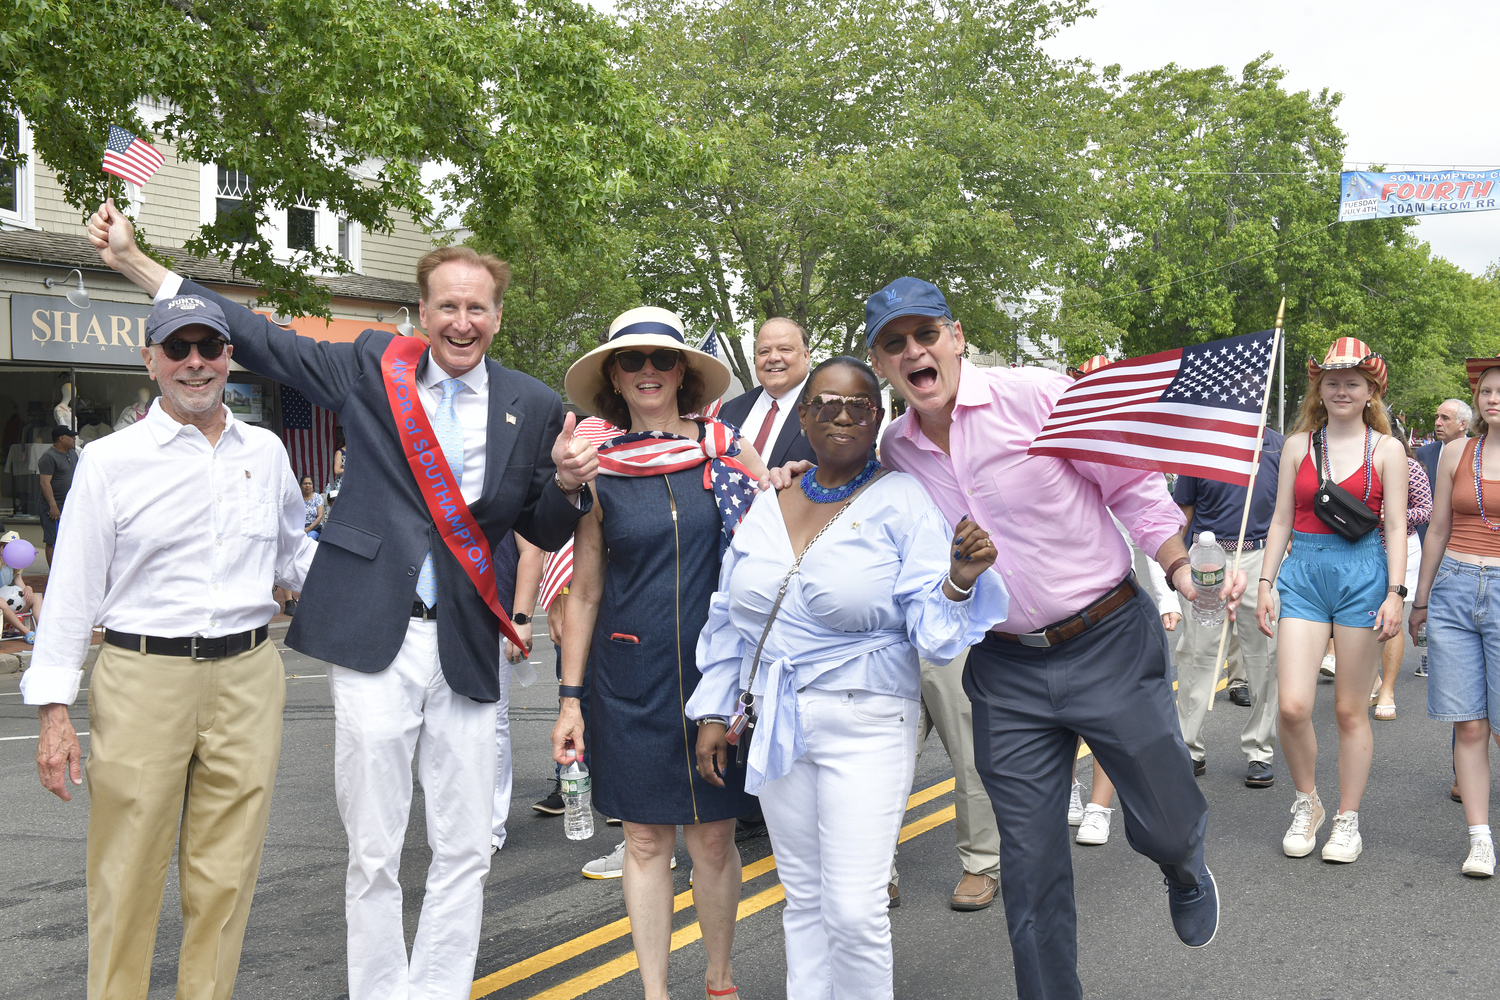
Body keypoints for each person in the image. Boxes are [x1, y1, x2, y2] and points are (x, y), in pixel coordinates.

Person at [87, 199, 597, 1000]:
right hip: (373, 636)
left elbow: (536, 518)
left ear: (497, 316)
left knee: (465, 845)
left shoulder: (530, 405)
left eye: (478, 306)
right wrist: (136, 263)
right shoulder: (371, 365)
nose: (462, 321)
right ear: (421, 314)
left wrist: (567, 482)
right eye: (447, 306)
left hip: (465, 640)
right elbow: (261, 337)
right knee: (372, 847)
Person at [834, 277, 1231, 1000]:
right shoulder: (895, 451)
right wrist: (797, 475)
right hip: (1006, 669)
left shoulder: (1041, 396)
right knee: (1028, 864)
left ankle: (1182, 862)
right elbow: (844, 498)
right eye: (895, 344)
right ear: (883, 364)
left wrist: (1178, 567)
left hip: (1107, 636)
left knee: (1169, 824)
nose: (914, 352)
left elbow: (1134, 489)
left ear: (956, 338)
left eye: (926, 335)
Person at [22, 293, 316, 1000]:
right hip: (142, 674)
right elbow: (71, 590)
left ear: (227, 358)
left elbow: (293, 561)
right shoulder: (110, 461)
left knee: (227, 876)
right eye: (176, 349)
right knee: (126, 873)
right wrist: (54, 711)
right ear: (150, 361)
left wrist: (390, 567)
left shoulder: (266, 450)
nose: (194, 363)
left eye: (207, 349)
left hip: (249, 673)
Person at [689, 356, 1007, 999]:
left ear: (878, 417)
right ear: (802, 417)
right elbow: (731, 617)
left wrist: (957, 581)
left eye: (859, 404)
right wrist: (715, 711)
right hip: (778, 717)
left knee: (855, 907)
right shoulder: (768, 501)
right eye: (826, 402)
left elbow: (934, 632)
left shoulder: (903, 500)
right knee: (802, 898)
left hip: (866, 720)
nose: (841, 414)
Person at [551, 306, 767, 1000]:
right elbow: (583, 594)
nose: (648, 371)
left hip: (719, 679)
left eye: (662, 360)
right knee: (645, 843)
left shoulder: (729, 453)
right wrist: (569, 699)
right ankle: (655, 992)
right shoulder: (598, 473)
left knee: (711, 839)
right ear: (614, 376)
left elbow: (771, 550)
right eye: (632, 361)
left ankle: (719, 979)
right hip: (629, 679)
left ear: (683, 372)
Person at [1254, 339, 1407, 864]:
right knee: (1293, 705)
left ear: (1371, 392)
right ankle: (1308, 802)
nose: (1342, 391)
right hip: (1302, 574)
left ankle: (1347, 819)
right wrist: (1265, 583)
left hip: (1364, 572)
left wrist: (1395, 593)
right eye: (1333, 382)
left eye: (1354, 383)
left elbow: (1394, 527)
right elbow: (1279, 520)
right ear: (1319, 388)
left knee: (1347, 709)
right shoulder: (1297, 445)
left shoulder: (1387, 450)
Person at [1409, 357, 1500, 878]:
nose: (1492, 399)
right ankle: (1480, 839)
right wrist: (1421, 600)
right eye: (1486, 391)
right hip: (1455, 589)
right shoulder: (1455, 452)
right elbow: (1438, 528)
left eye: (1499, 391)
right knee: (1469, 724)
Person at [1174, 424, 1284, 788]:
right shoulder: (1201, 443)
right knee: (1197, 654)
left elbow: (1290, 510)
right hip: (1208, 557)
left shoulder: (1277, 446)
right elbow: (1183, 511)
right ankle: (1188, 748)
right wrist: (1176, 566)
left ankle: (1259, 751)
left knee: (1265, 655)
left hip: (1261, 557)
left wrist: (1284, 555)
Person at [1370, 440, 1432, 719]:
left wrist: (1394, 515)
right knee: (1361, 617)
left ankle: (1388, 691)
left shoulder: (1410, 467)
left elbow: (1425, 510)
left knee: (1390, 616)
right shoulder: (1351, 462)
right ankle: (1372, 680)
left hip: (1401, 547)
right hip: (1358, 548)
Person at [493, 532, 543, 854]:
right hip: (432, 615)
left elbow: (531, 547)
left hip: (493, 610)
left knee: (491, 718)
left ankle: (490, 827)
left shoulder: (505, 478)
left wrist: (521, 618)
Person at [719, 317, 815, 468]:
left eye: (785, 349)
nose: (773, 358)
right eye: (764, 352)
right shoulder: (730, 410)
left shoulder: (828, 409)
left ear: (806, 355)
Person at [37, 423, 78, 565]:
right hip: (53, 505)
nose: (74, 439)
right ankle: (53, 574)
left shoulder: (72, 453)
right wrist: (53, 506)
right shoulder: (48, 457)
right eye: (71, 437)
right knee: (52, 539)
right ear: (61, 438)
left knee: (70, 538)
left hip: (70, 504)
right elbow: (45, 483)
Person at [0, 528, 44, 643]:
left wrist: (28, 588)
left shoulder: (15, 566)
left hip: (9, 606)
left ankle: (43, 631)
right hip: (1, 605)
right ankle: (27, 632)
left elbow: (22, 587)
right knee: (1, 601)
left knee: (36, 597)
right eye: (5, 547)